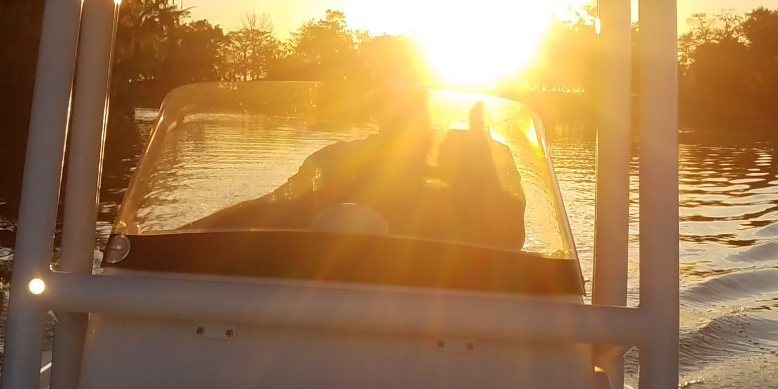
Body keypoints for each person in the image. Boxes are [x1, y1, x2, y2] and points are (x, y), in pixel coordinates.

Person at [188, 87, 525, 251]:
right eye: (391, 102)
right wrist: (183, 235)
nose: (403, 113)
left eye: (412, 103)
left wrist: (485, 185)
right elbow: (272, 208)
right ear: (373, 108)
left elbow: (509, 245)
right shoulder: (333, 163)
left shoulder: (472, 162)